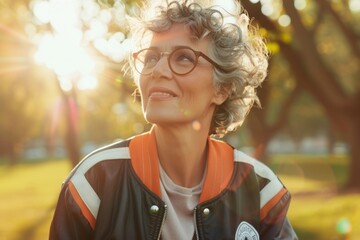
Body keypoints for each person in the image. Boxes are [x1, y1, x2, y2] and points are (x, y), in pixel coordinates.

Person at [49, 0, 298, 239]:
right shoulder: (93, 183)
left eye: (184, 58)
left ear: (221, 89)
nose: (157, 70)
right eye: (151, 57)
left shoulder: (261, 191)